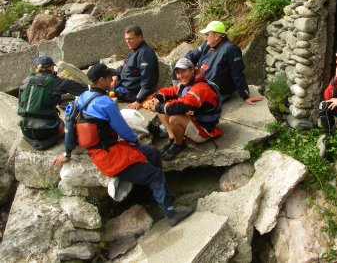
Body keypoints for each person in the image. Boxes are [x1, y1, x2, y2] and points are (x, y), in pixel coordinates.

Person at [53, 63, 193, 226]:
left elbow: (70, 126)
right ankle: (170, 213)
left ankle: (157, 195)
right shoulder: (105, 103)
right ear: (101, 80)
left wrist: (67, 153)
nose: (113, 79)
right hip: (111, 155)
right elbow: (123, 130)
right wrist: (134, 141)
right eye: (109, 77)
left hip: (104, 150)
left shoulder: (82, 97)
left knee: (153, 153)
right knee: (154, 174)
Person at [147, 58, 222, 161]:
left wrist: (157, 107)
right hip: (192, 120)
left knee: (174, 118)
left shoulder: (201, 88)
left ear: (192, 70)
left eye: (183, 71)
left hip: (204, 129)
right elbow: (168, 91)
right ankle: (173, 137)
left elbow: (182, 106)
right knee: (161, 107)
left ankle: (179, 144)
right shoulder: (186, 83)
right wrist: (156, 98)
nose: (180, 76)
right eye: (178, 73)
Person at [17, 56, 88, 150]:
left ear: (36, 68)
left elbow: (20, 104)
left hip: (25, 130)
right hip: (47, 131)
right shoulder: (57, 82)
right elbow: (84, 89)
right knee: (67, 120)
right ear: (51, 67)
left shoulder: (25, 81)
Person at [185, 20, 263, 105]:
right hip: (200, 84)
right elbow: (192, 55)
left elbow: (237, 73)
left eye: (207, 34)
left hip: (217, 90)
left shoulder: (230, 49)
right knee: (178, 66)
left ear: (217, 36)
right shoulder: (206, 45)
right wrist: (182, 65)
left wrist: (246, 96)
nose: (205, 37)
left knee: (188, 103)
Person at [111, 25, 159, 110]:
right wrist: (116, 75)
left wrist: (138, 100)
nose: (127, 41)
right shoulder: (134, 49)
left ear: (139, 37)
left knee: (102, 92)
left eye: (130, 39)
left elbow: (148, 80)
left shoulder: (145, 54)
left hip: (132, 93)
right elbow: (124, 67)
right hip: (123, 85)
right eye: (126, 39)